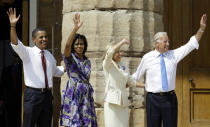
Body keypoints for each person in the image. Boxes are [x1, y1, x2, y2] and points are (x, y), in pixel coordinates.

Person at [132, 14, 207, 127]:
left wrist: (201, 28)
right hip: (153, 100)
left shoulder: (173, 55)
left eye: (168, 41)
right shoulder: (147, 57)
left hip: (169, 99)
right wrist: (123, 80)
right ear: (157, 43)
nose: (168, 44)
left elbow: (191, 45)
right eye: (165, 42)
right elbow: (135, 77)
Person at [7, 8, 65, 127]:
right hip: (33, 96)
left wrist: (67, 67)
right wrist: (12, 26)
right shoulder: (27, 52)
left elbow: (56, 71)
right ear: (34, 39)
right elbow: (15, 43)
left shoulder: (49, 55)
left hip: (47, 97)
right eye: (41, 37)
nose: (44, 39)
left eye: (45, 37)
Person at [60, 13, 98, 127]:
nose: (79, 46)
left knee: (86, 123)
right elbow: (67, 46)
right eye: (76, 44)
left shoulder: (87, 61)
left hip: (85, 95)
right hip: (74, 93)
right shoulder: (70, 58)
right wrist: (75, 28)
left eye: (81, 44)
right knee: (74, 123)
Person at [102, 39, 145, 127]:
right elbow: (109, 52)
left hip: (123, 103)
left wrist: (146, 85)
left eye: (119, 52)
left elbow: (131, 82)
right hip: (112, 103)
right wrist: (122, 42)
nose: (119, 54)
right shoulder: (107, 64)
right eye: (117, 52)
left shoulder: (122, 66)